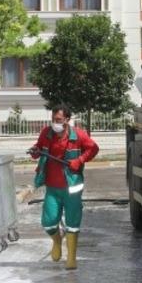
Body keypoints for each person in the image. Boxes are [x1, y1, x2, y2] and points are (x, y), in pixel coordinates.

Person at [29, 106, 99, 270]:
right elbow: (38, 148)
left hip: (72, 187)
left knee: (72, 222)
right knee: (48, 222)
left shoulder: (78, 135)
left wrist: (80, 160)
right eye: (53, 120)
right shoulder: (46, 134)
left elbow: (93, 149)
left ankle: (71, 258)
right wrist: (35, 151)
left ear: (67, 120)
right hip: (52, 187)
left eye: (59, 120)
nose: (55, 123)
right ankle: (57, 240)